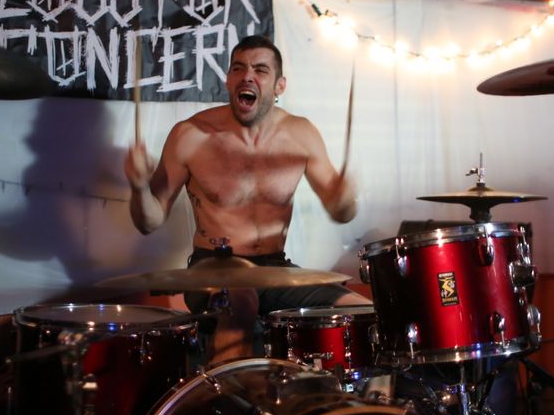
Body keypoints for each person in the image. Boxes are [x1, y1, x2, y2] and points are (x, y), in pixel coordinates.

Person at [124, 35, 371, 363]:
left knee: (364, 313)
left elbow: (340, 212)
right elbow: (149, 221)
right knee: (241, 302)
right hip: (214, 268)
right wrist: (139, 188)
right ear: (228, 80)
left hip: (275, 269)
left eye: (260, 70)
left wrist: (345, 197)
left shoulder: (301, 134)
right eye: (238, 68)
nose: (247, 76)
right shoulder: (190, 135)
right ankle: (234, 393)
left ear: (279, 85)